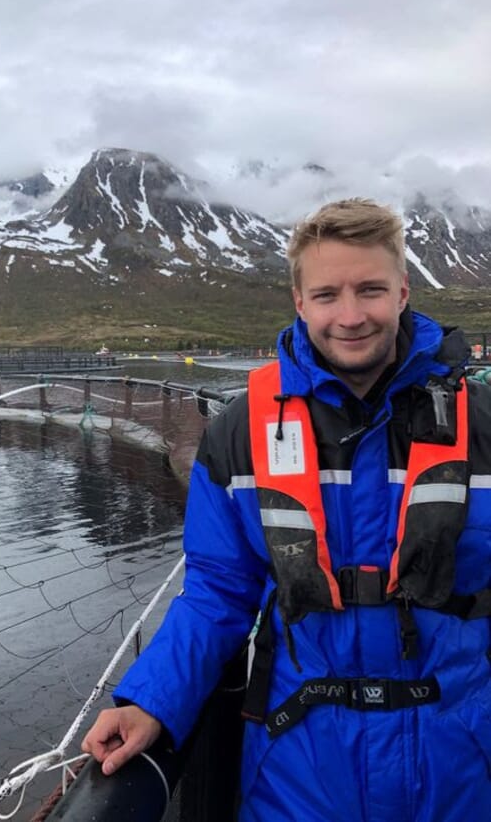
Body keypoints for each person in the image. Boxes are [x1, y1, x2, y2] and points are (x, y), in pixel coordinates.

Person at [83, 198, 491, 821]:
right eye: (327, 295)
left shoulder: (482, 426)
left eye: (371, 290)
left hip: (461, 765)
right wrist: (151, 701)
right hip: (297, 772)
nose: (350, 316)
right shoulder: (240, 434)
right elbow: (218, 591)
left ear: (403, 291)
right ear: (300, 302)